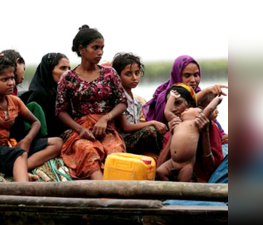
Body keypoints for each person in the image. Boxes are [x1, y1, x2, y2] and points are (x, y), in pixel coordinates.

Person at [0, 55, 62, 182]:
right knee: (19, 154)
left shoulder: (14, 101)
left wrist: (27, 140)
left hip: (5, 147)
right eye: (5, 79)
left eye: (12, 78)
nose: (11, 83)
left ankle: (20, 168)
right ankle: (24, 192)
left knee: (57, 143)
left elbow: (36, 122)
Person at [56, 25, 127, 180]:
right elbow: (61, 111)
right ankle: (103, 195)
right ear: (81, 49)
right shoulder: (68, 78)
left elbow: (122, 102)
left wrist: (105, 118)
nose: (100, 52)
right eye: (95, 48)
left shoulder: (110, 74)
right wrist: (80, 129)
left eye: (102, 48)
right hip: (81, 130)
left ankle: (116, 194)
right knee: (88, 150)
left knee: (115, 151)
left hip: (107, 128)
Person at [156, 84, 224, 182]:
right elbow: (159, 168)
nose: (174, 109)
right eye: (171, 104)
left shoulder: (209, 127)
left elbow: (210, 169)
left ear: (190, 105)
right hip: (173, 174)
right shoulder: (172, 130)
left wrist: (205, 134)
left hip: (201, 180)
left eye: (178, 103)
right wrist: (172, 135)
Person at [143, 55, 228, 125]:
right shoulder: (167, 95)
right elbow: (169, 112)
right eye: (187, 75)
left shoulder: (197, 91)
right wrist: (206, 91)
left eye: (196, 75)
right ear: (177, 75)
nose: (193, 80)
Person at [111, 52, 167, 158]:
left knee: (162, 131)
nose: (134, 77)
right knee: (151, 130)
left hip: (134, 137)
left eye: (137, 73)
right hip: (123, 141)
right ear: (117, 76)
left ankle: (161, 157)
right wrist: (152, 122)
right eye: (128, 74)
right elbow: (125, 128)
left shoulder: (135, 100)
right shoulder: (119, 98)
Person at [20, 53, 71, 137]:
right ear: (49, 70)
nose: (68, 72)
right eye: (63, 68)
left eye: (69, 68)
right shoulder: (39, 95)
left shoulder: (62, 93)